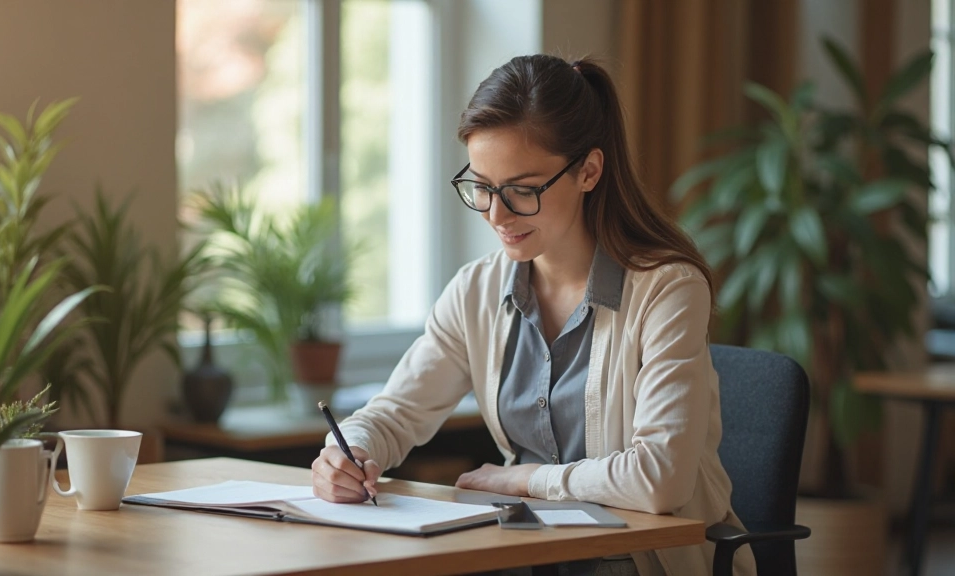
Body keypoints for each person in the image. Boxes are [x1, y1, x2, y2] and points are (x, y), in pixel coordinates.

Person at [310, 54, 757, 576]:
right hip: (526, 554)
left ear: (588, 171)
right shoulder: (475, 290)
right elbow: (396, 413)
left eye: (522, 190)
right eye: (482, 186)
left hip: (646, 562)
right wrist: (350, 452)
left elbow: (660, 479)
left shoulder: (668, 290)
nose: (496, 215)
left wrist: (523, 479)